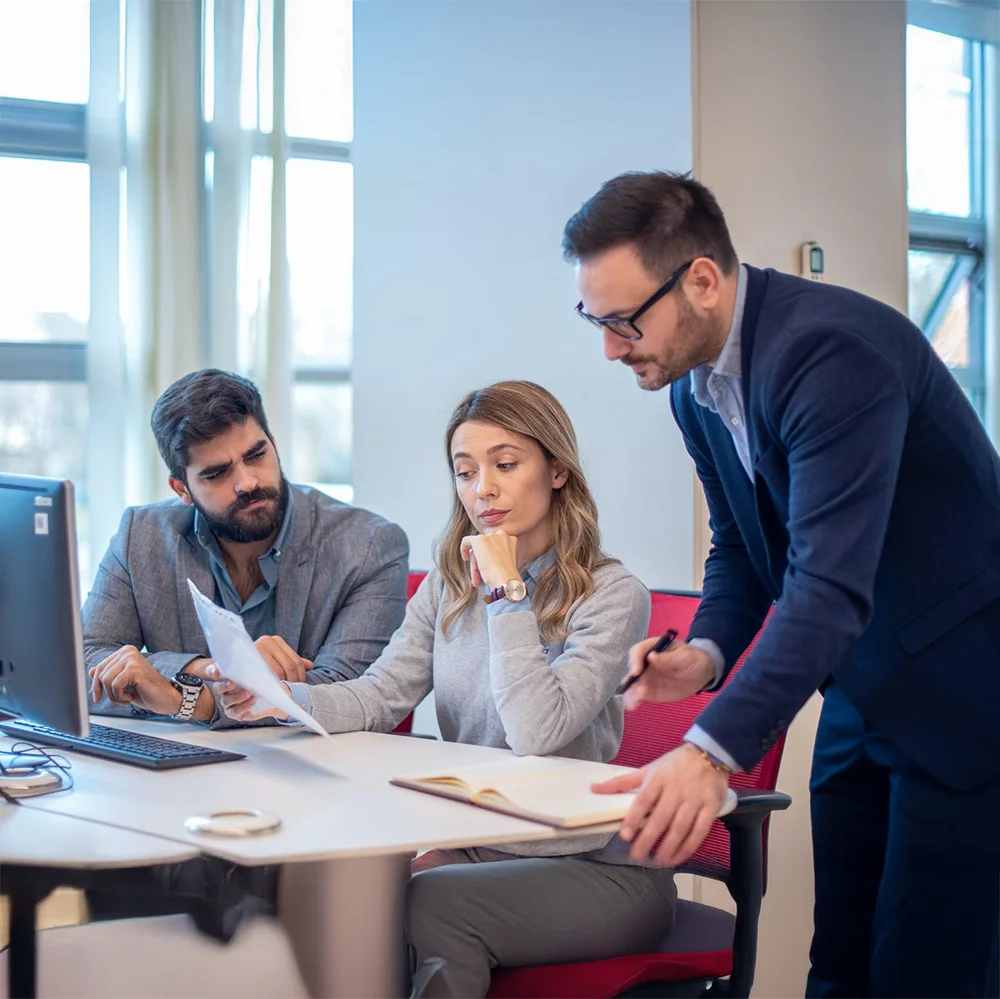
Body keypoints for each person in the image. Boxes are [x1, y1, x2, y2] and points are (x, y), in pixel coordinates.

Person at [563, 170, 1000, 998]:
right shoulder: (696, 386)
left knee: (926, 969)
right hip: (862, 686)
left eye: (624, 321)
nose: (612, 348)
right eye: (597, 321)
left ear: (700, 279)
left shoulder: (834, 355)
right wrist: (706, 653)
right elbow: (743, 544)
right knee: (836, 962)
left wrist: (707, 751)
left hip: (963, 694)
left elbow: (826, 587)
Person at [212, 380, 674, 999]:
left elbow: (535, 732)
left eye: (505, 465)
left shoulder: (612, 595)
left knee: (432, 903)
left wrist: (508, 594)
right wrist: (285, 701)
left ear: (557, 469)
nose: (482, 488)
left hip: (595, 868)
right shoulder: (448, 586)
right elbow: (381, 696)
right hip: (484, 848)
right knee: (337, 883)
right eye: (464, 471)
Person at [85, 368, 409, 727]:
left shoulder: (369, 546)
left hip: (306, 774)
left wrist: (186, 697)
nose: (247, 482)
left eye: (256, 455)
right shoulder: (140, 535)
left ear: (273, 442)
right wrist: (207, 668)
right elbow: (81, 663)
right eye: (216, 473)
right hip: (177, 770)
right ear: (182, 489)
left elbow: (345, 694)